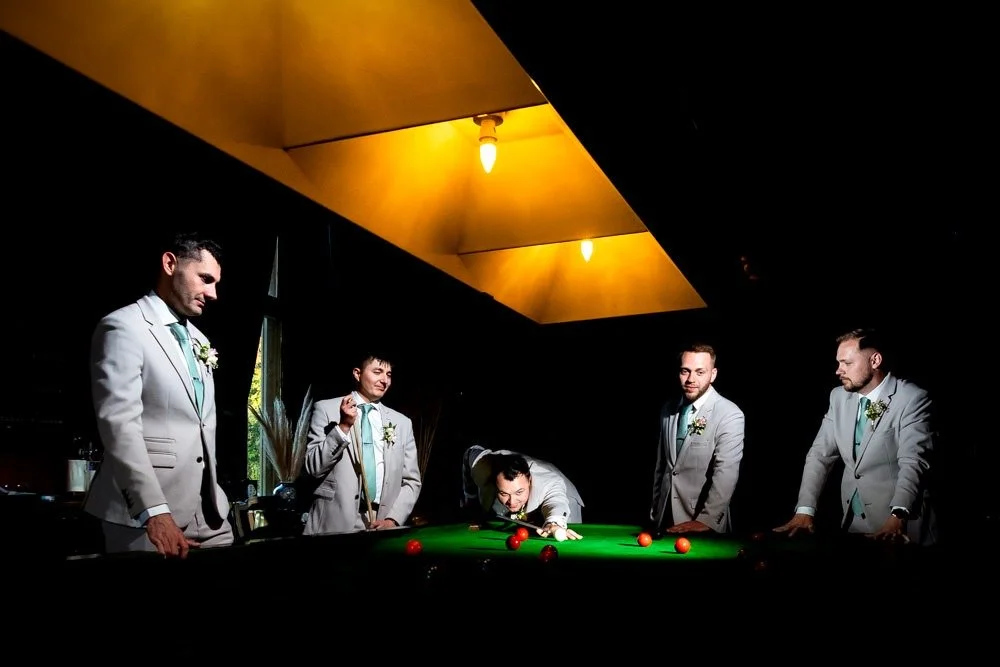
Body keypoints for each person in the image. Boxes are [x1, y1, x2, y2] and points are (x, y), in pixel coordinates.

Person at [85, 232, 233, 558]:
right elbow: (119, 424)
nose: (213, 293)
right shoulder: (124, 326)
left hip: (210, 513)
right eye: (205, 279)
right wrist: (154, 511)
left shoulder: (199, 339)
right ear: (170, 264)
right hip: (143, 514)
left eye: (216, 283)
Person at [774, 328, 937, 545]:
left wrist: (898, 515)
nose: (838, 370)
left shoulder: (912, 398)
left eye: (847, 363)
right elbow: (820, 455)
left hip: (902, 528)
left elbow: (914, 462)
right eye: (838, 363)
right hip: (853, 525)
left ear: (875, 360)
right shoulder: (838, 397)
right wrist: (805, 510)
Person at [302, 354, 421, 535]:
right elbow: (313, 467)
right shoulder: (326, 409)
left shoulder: (402, 423)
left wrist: (393, 519)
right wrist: (343, 427)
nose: (384, 380)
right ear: (358, 374)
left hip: (381, 523)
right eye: (377, 372)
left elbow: (412, 481)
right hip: (333, 524)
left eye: (388, 375)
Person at [650, 343, 745, 534]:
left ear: (713, 374)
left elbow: (726, 472)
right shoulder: (668, 409)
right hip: (664, 521)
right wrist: (655, 512)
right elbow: (662, 467)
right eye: (685, 371)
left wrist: (707, 520)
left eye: (700, 372)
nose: (691, 379)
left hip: (702, 524)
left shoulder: (729, 414)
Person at [461, 445, 585, 541]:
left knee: (559, 534)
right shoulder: (481, 466)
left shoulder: (549, 484)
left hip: (567, 498)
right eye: (503, 493)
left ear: (530, 481)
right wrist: (470, 501)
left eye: (519, 492)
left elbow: (556, 501)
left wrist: (554, 522)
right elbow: (470, 453)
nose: (512, 502)